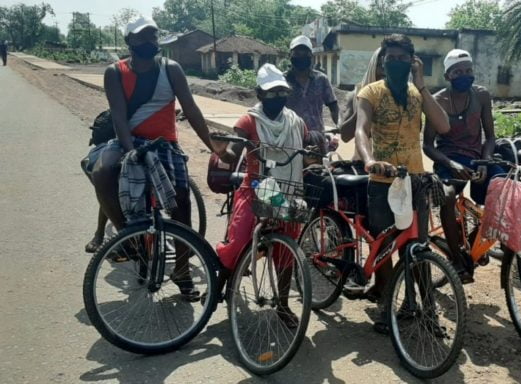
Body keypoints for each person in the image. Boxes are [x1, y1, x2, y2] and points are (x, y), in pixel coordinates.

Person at [89, 16, 214, 300]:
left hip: (164, 144)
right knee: (103, 172)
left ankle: (181, 269)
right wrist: (131, 149)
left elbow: (191, 110)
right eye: (142, 37)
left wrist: (212, 146)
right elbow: (119, 116)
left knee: (181, 202)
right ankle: (128, 237)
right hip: (128, 140)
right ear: (129, 41)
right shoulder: (115, 72)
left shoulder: (171, 69)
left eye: (153, 36)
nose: (149, 42)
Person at [355, 34, 450, 334]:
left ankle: (426, 310)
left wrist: (422, 83)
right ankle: (386, 306)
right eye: (390, 58)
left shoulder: (416, 93)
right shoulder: (370, 92)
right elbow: (361, 131)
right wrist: (369, 160)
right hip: (383, 181)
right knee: (385, 248)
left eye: (402, 58)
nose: (396, 63)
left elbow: (443, 125)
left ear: (412, 61)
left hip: (416, 181)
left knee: (418, 249)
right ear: (383, 62)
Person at [215, 63, 315, 328]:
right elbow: (234, 153)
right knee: (237, 244)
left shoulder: (296, 122)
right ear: (259, 94)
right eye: (271, 93)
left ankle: (282, 304)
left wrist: (319, 155)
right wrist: (222, 150)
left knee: (287, 250)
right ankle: (219, 285)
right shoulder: (248, 121)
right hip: (257, 189)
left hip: (287, 190)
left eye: (281, 92)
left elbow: (306, 155)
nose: (277, 98)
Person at [423, 49, 503, 283]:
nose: (464, 75)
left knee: (506, 190)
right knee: (447, 196)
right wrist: (452, 164)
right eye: (458, 72)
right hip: (449, 159)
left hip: (479, 158)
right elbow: (428, 145)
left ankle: (475, 239)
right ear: (448, 76)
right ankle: (457, 260)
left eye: (468, 70)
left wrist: (486, 162)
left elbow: (490, 137)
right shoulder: (437, 101)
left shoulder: (482, 96)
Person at [285, 35, 339, 136]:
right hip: (289, 137)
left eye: (305, 53)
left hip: (317, 138)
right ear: (290, 55)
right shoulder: (282, 80)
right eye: (297, 53)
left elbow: (333, 105)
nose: (301, 56)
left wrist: (338, 123)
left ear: (311, 55)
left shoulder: (321, 79)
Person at [340, 47, 385, 161]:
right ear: (372, 66)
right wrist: (364, 105)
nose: (384, 71)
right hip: (364, 165)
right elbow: (345, 136)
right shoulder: (357, 94)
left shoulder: (407, 96)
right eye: (380, 65)